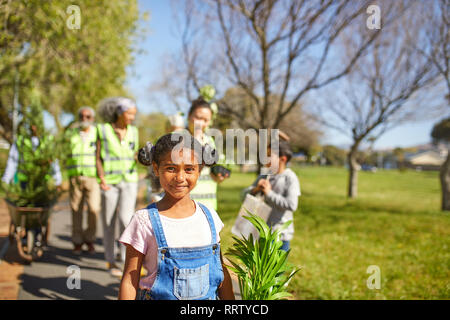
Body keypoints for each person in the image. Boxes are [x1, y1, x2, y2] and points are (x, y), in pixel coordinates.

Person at [118, 132, 234, 300]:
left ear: (200, 170)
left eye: (189, 169)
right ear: (156, 169)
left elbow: (221, 272)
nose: (180, 178)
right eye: (171, 168)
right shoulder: (144, 221)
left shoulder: (209, 218)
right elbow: (130, 280)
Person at [96, 97, 139, 277]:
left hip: (129, 180)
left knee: (126, 220)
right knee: (108, 221)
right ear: (120, 113)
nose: (132, 118)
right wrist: (102, 178)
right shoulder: (103, 130)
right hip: (110, 182)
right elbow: (97, 156)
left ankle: (124, 261)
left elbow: (134, 154)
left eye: (133, 115)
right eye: (129, 114)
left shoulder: (134, 131)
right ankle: (110, 260)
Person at [241, 140, 301, 251]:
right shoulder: (265, 175)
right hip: (262, 232)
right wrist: (256, 189)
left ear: (283, 159)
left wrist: (269, 193)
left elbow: (292, 205)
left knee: (276, 268)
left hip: (280, 235)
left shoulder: (290, 178)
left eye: (269, 155)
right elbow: (243, 196)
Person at [66, 107, 100, 255]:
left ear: (92, 118)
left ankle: (90, 239)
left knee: (93, 209)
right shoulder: (71, 134)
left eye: (88, 116)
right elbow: (63, 152)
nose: (84, 119)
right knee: (76, 210)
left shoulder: (97, 133)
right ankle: (77, 242)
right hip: (75, 177)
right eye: (81, 116)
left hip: (93, 177)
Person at [187, 97, 229, 211]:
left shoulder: (209, 140)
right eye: (198, 118)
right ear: (189, 116)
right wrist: (195, 140)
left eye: (206, 120)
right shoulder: (177, 137)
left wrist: (218, 176)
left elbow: (211, 168)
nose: (201, 123)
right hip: (185, 204)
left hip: (208, 204)